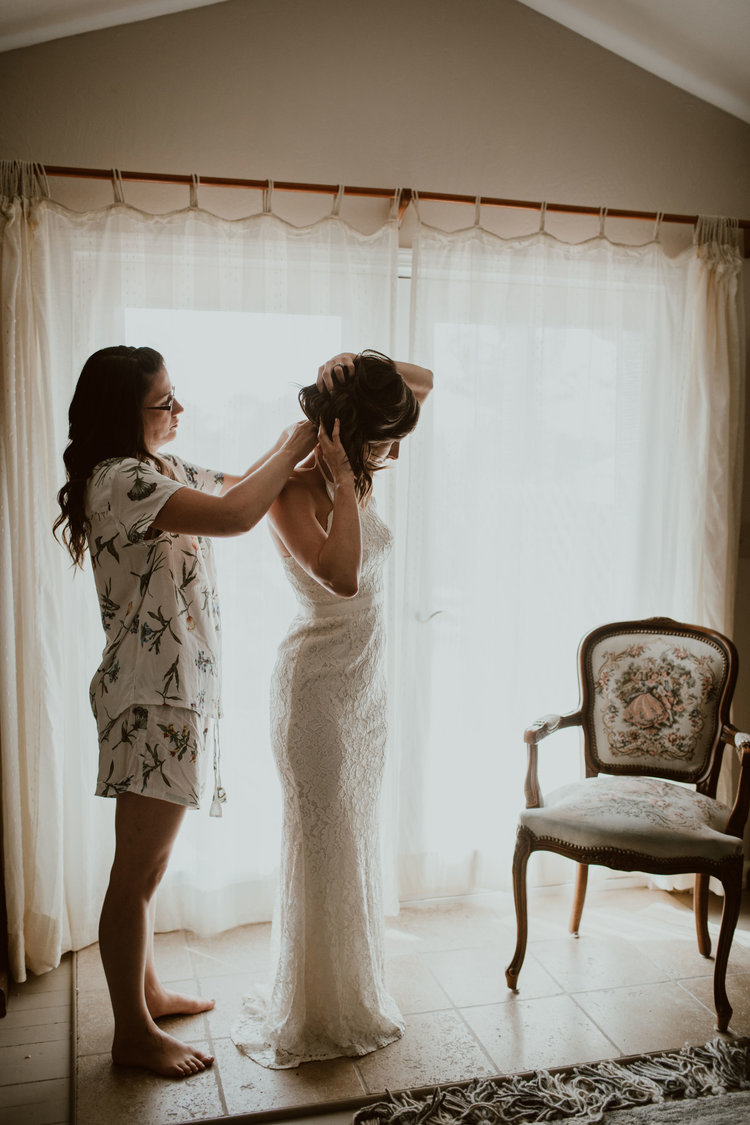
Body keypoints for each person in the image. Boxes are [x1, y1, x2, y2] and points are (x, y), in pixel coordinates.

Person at [54, 345, 316, 1078]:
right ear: (122, 413)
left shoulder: (157, 469)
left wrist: (301, 437)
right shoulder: (122, 478)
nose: (178, 411)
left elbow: (241, 482)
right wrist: (296, 445)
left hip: (168, 691)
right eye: (163, 402)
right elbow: (235, 513)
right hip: (148, 697)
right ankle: (131, 1034)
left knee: (149, 866)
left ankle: (149, 993)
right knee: (135, 874)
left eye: (176, 397)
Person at [231, 349, 433, 1068]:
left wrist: (346, 362)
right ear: (350, 435)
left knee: (350, 837)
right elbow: (343, 576)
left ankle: (347, 987)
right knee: (324, 843)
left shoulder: (358, 469)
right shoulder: (291, 491)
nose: (395, 451)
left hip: (364, 689)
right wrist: (345, 475)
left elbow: (425, 381)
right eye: (383, 438)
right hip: (314, 689)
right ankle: (315, 1007)